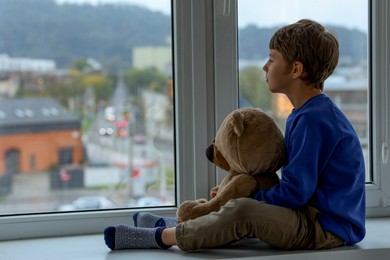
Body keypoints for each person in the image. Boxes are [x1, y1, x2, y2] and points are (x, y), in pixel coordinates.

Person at [103, 19, 366, 251]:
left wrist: (245, 197)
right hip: (309, 214)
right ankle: (178, 222)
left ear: (296, 70)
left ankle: (161, 236)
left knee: (243, 211)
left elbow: (295, 192)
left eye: (272, 59)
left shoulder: (315, 119)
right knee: (244, 198)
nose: (265, 66)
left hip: (326, 228)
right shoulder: (305, 113)